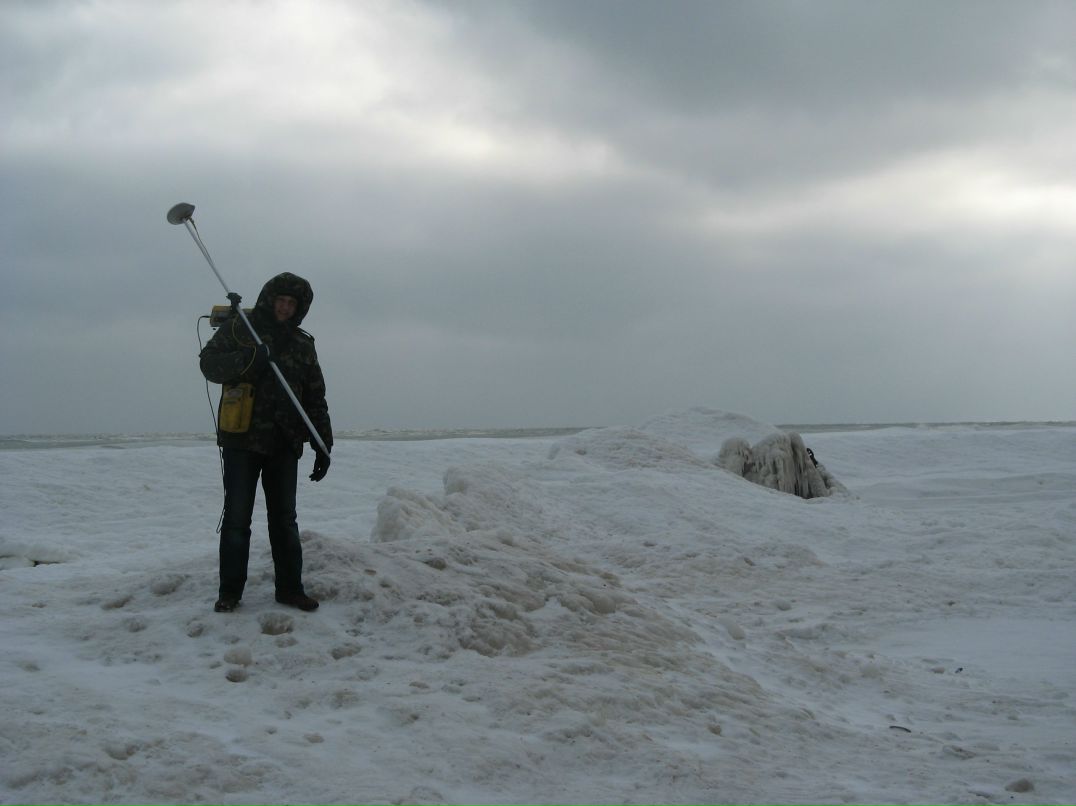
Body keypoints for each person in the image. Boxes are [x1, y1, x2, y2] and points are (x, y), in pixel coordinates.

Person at [199, 272, 332, 613]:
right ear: (270, 299)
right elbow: (209, 365)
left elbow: (314, 397)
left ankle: (290, 589)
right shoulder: (242, 328)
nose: (285, 308)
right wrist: (251, 359)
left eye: (293, 304)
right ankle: (229, 592)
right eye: (281, 300)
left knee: (285, 521)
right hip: (242, 440)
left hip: (285, 443)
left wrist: (323, 444)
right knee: (237, 519)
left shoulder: (303, 344)